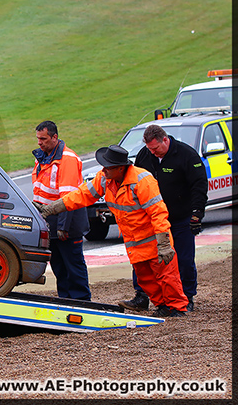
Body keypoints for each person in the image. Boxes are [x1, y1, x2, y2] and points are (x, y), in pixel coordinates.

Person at [35, 145, 188, 317]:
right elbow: (81, 195)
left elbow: (158, 213)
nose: (103, 170)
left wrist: (164, 243)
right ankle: (163, 306)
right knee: (146, 278)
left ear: (120, 168)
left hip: (154, 239)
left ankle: (177, 308)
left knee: (167, 276)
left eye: (107, 167)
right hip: (135, 242)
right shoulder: (105, 179)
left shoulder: (142, 181)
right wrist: (51, 208)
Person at [121, 124, 208, 312]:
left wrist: (196, 213)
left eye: (156, 148)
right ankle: (142, 296)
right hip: (152, 218)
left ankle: (186, 297)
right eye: (150, 149)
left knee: (183, 259)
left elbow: (199, 185)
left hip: (180, 217)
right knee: (144, 259)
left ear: (165, 140)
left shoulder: (187, 155)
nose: (153, 153)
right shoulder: (145, 156)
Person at [31, 121, 91, 300]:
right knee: (58, 265)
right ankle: (66, 299)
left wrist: (63, 227)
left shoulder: (68, 159)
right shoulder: (42, 157)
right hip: (50, 220)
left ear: (54, 137)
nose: (40, 143)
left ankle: (81, 301)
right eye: (38, 139)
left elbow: (69, 197)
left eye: (43, 139)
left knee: (73, 264)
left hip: (67, 222)